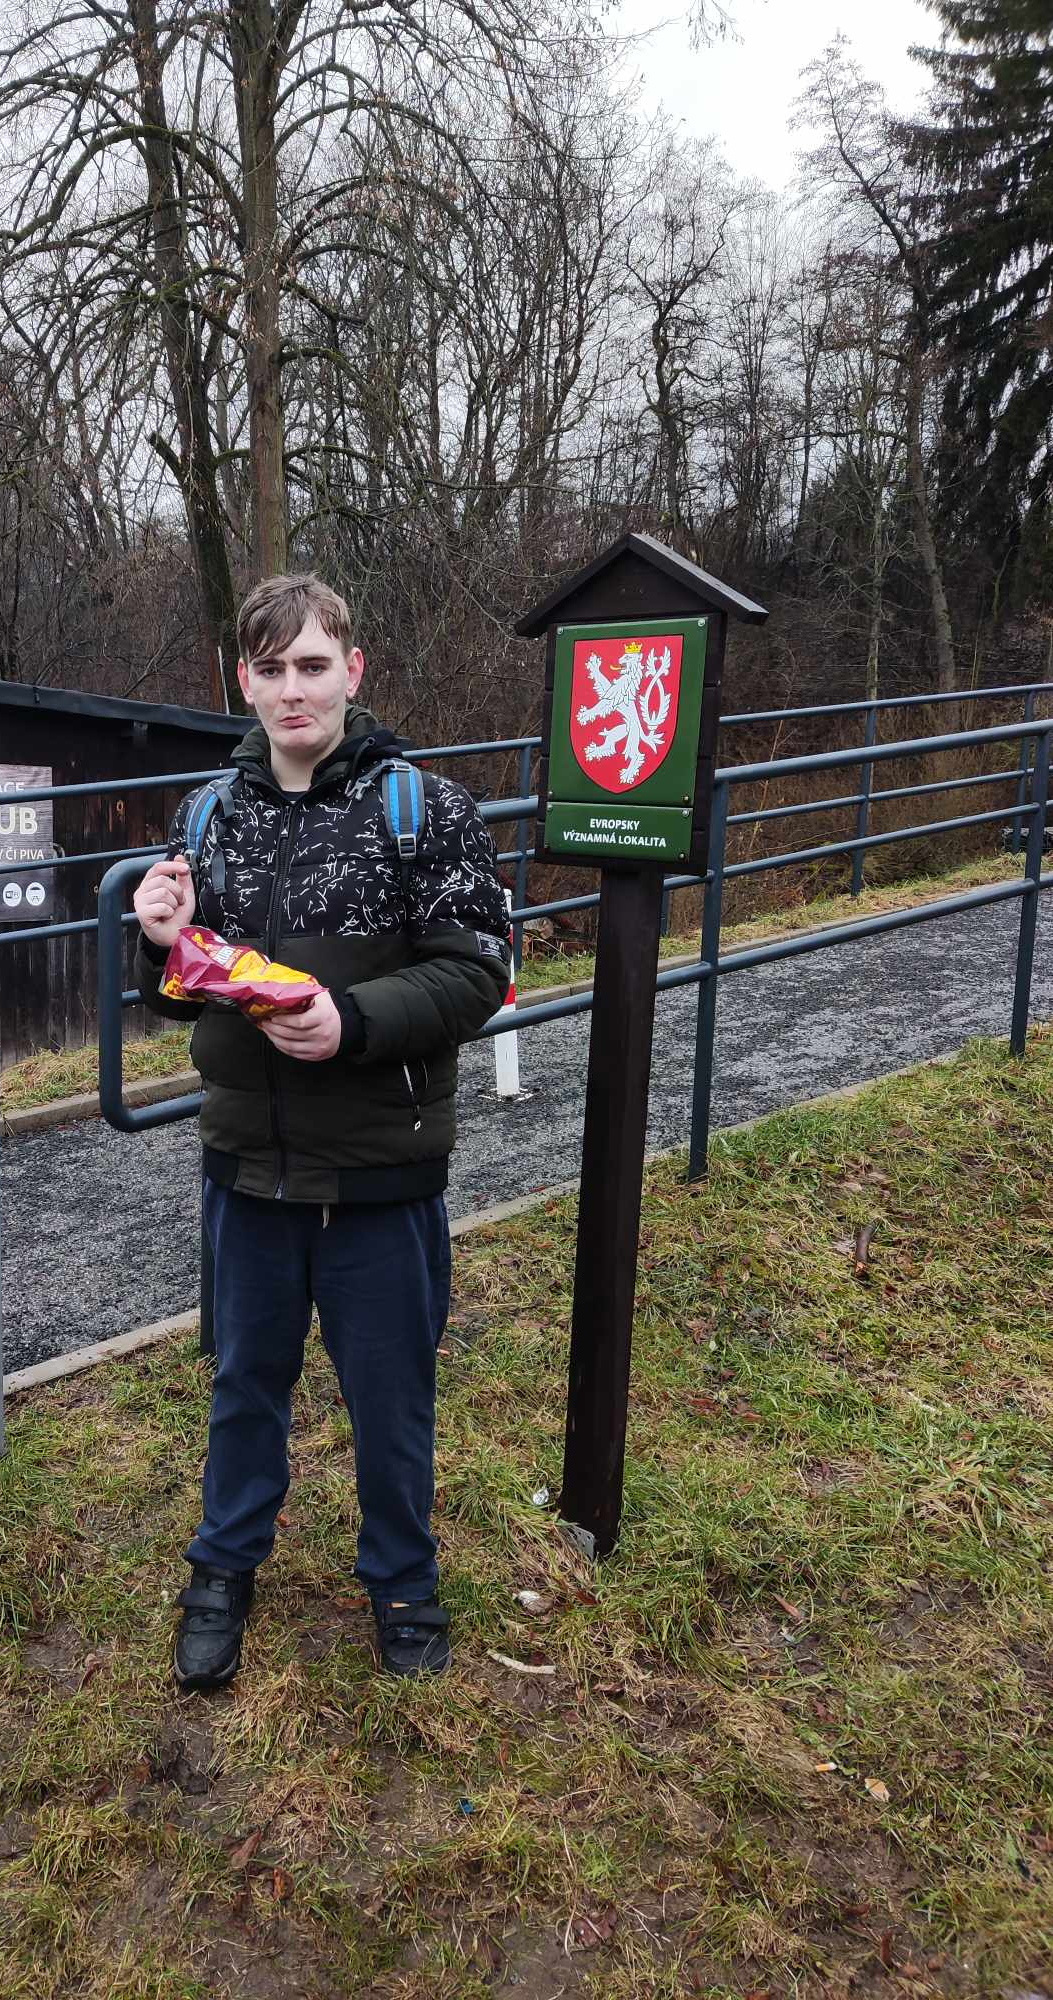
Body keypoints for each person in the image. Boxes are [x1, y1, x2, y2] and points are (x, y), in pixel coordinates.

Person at [133, 573, 511, 1692]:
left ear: (354, 669)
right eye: (271, 668)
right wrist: (158, 941)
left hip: (381, 1172)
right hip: (245, 1166)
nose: (292, 688)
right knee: (245, 1383)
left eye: (312, 664)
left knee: (390, 1397)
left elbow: (478, 969)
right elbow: (181, 993)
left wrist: (353, 1021)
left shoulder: (424, 810)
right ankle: (222, 1571)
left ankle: (403, 1580)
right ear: (241, 681)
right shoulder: (207, 815)